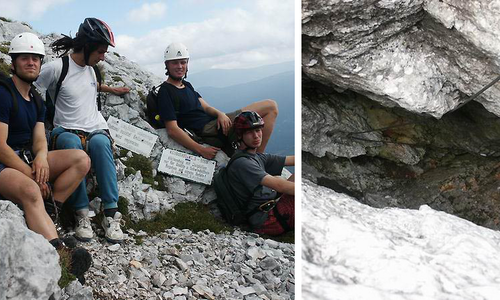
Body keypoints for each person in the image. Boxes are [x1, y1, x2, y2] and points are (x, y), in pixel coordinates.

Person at [0, 32, 92, 281]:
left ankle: (51, 210)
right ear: (14, 62)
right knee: (31, 190)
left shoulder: (36, 100)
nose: (31, 63)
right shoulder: (3, 93)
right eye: (25, 58)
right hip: (3, 164)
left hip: (26, 158)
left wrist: (41, 158)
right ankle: (61, 255)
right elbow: (1, 147)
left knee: (81, 159)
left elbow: (40, 138)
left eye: (36, 59)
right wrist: (32, 175)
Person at [34, 18, 129, 243]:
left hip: (95, 128)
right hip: (66, 128)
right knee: (71, 144)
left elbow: (90, 88)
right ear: (86, 47)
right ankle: (81, 213)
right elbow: (33, 88)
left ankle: (110, 213)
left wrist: (111, 89)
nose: (103, 56)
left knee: (101, 143)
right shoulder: (58, 67)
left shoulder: (92, 69)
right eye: (100, 51)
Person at [157, 42, 279, 159]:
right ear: (167, 65)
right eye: (175, 63)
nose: (180, 66)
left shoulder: (186, 85)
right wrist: (200, 149)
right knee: (270, 107)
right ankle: (258, 158)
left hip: (215, 123)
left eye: (183, 62)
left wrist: (220, 114)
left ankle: (256, 157)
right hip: (208, 130)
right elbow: (172, 129)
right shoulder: (165, 91)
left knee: (270, 107)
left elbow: (205, 107)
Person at [226, 111, 294, 235]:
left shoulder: (256, 157)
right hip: (264, 221)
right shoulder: (243, 163)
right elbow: (280, 186)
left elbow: (292, 160)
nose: (256, 136)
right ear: (240, 136)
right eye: (249, 132)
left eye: (258, 130)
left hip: (268, 209)